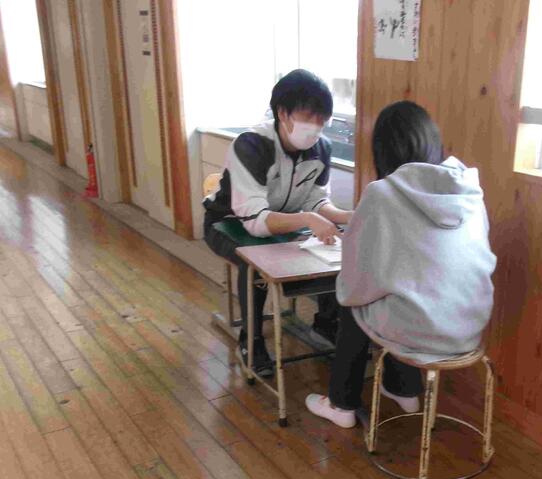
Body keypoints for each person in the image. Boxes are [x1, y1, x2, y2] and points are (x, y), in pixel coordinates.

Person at [305, 101, 497, 428]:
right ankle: (403, 389)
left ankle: (341, 404)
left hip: (420, 333)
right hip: (470, 326)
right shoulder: (469, 191)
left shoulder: (382, 193)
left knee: (353, 304)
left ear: (383, 150)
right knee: (408, 294)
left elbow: (357, 280)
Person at [203, 69, 352, 378]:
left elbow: (316, 200)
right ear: (282, 113)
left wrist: (346, 216)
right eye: (308, 117)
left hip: (285, 222)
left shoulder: (322, 148)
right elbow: (255, 222)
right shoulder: (251, 145)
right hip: (228, 223)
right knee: (255, 263)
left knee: (337, 248)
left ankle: (326, 323)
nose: (315, 127)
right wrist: (308, 219)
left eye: (322, 120)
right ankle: (251, 340)